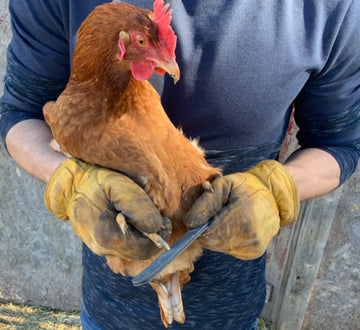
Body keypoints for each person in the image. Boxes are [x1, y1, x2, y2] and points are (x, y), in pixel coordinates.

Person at [1, 0, 359, 329]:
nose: (169, 64)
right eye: (145, 43)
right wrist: (69, 182)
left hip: (231, 310)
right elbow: (20, 111)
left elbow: (338, 143)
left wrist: (276, 188)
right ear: (124, 40)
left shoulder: (329, 8)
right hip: (110, 309)